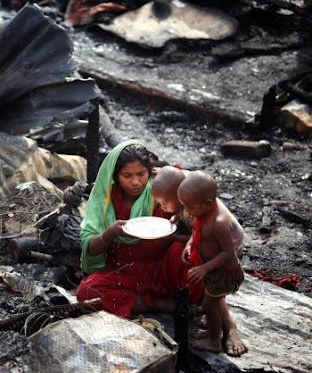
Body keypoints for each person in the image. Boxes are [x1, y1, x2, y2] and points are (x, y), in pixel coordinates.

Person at [76, 140, 177, 318]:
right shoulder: (106, 198)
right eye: (127, 175)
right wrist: (110, 234)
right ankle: (157, 305)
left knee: (195, 253)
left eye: (141, 174)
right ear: (115, 175)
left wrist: (173, 176)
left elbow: (199, 196)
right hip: (123, 273)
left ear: (151, 171)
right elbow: (90, 247)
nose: (135, 182)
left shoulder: (160, 190)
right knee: (86, 292)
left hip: (163, 271)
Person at [176, 171, 247, 355]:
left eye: (190, 208)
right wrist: (190, 244)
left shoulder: (219, 222)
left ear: (207, 203)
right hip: (213, 272)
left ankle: (214, 341)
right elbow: (196, 231)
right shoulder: (203, 212)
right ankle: (213, 332)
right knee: (209, 305)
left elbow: (229, 254)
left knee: (209, 305)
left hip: (222, 273)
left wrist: (205, 267)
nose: (187, 212)